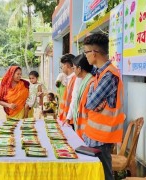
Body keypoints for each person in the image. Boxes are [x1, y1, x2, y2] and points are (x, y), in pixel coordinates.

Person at [83, 33, 125, 180]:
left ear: (94, 53)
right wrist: (94, 99)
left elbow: (90, 103)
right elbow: (91, 101)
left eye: (86, 52)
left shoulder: (109, 75)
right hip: (93, 135)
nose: (85, 56)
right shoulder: (99, 74)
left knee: (104, 175)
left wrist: (94, 101)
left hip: (102, 137)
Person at [70, 54, 96, 138]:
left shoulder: (91, 82)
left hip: (87, 128)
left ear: (79, 68)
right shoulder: (84, 81)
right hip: (82, 125)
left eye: (74, 68)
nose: (73, 70)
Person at [58, 54, 82, 130]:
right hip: (68, 118)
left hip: (72, 119)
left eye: (61, 66)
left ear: (66, 65)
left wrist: (68, 118)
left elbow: (74, 100)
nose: (61, 68)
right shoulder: (70, 78)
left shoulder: (76, 78)